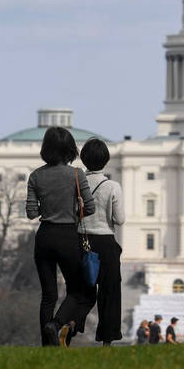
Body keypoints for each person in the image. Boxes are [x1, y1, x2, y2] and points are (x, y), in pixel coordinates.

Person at [26, 126, 96, 347]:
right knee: (77, 290)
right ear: (70, 149)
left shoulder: (36, 176)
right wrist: (73, 210)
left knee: (48, 296)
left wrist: (47, 207)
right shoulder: (76, 174)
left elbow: (31, 213)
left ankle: (47, 345)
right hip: (68, 235)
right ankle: (55, 325)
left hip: (45, 236)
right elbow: (91, 208)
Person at [80, 138, 125, 346]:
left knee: (80, 291)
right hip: (105, 242)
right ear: (106, 160)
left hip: (82, 241)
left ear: (83, 159)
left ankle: (69, 325)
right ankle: (107, 339)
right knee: (110, 293)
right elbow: (120, 219)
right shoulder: (112, 186)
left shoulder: (77, 184)